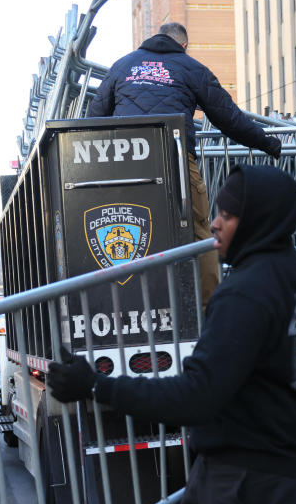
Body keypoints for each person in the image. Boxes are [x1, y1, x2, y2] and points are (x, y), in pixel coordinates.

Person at [47, 165, 296, 504]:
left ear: (259, 219)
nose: (216, 222)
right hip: (245, 470)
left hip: (247, 478)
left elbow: (196, 396)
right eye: (217, 211)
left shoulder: (244, 292)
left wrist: (95, 385)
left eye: (228, 213)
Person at [86, 22, 282, 305]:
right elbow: (230, 119)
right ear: (184, 46)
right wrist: (269, 143)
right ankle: (209, 308)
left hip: (125, 166)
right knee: (201, 231)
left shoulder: (121, 66)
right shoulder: (191, 68)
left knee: (133, 230)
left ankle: (137, 306)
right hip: (175, 162)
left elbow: (93, 118)